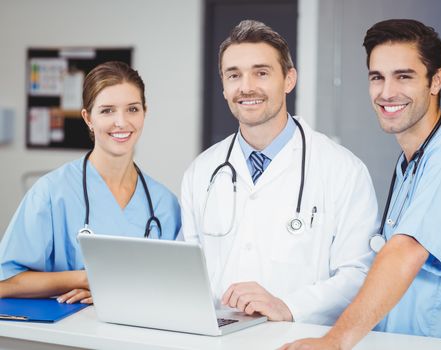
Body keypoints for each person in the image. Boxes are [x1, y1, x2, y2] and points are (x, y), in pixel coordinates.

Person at [281, 19, 441, 349]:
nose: (386, 92)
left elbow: (405, 252)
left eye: (404, 76)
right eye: (377, 78)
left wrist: (336, 341)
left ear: (436, 80)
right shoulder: (410, 163)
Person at [181, 19, 378, 325]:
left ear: (289, 79)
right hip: (218, 340)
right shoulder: (202, 171)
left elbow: (359, 275)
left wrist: (288, 306)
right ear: (223, 86)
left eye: (261, 73)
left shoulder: (343, 170)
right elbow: (186, 268)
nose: (246, 87)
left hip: (299, 339)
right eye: (234, 75)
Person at [0, 61, 181, 304]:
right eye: (107, 110)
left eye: (132, 109)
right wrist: (85, 279)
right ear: (88, 118)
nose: (122, 122)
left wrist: (112, 291)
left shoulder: (164, 204)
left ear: (144, 113)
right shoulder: (52, 192)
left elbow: (177, 286)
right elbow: (6, 282)